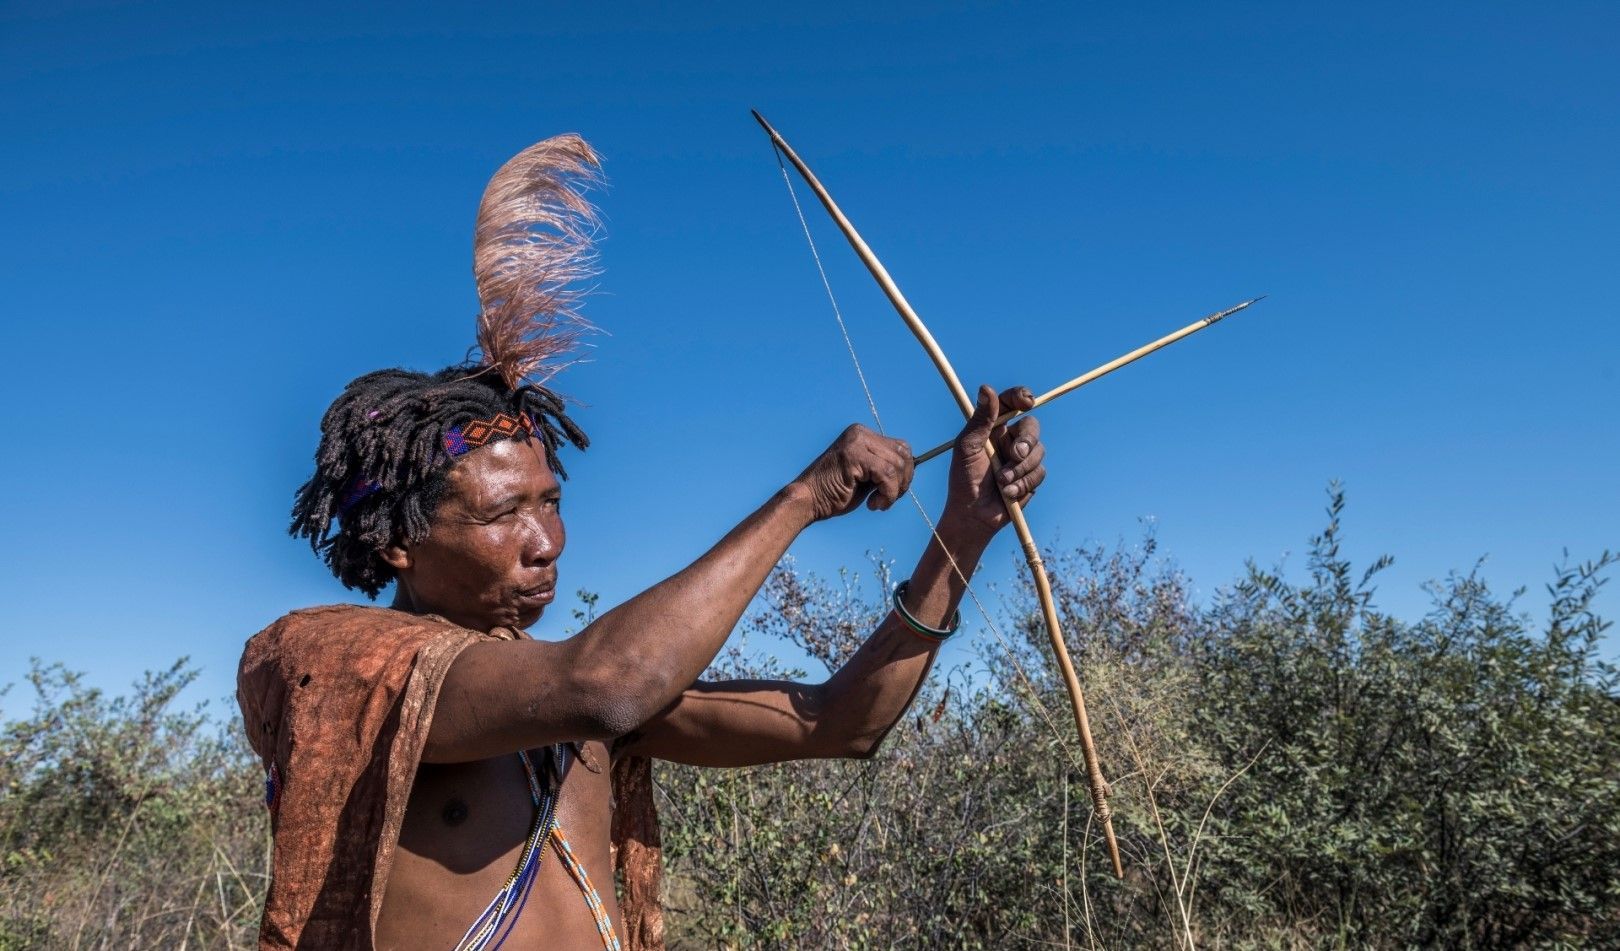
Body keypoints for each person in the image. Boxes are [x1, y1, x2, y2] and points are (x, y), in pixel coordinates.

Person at [236, 134, 1046, 951]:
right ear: (397, 544)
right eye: (501, 513)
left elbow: (839, 722)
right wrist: (802, 498)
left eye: (550, 502)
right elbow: (609, 682)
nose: (545, 540)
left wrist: (963, 529)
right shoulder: (344, 666)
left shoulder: (560, 701)